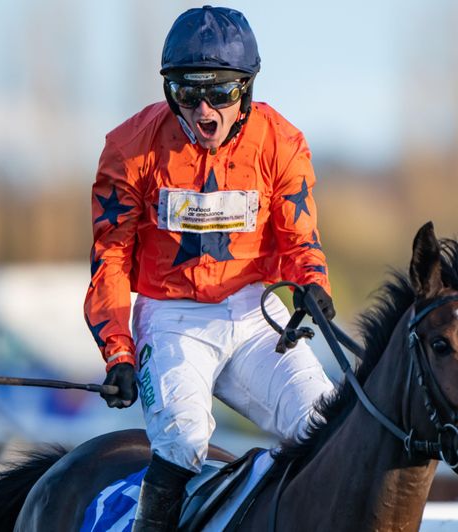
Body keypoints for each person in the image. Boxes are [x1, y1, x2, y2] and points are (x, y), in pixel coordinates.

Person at [83, 6, 336, 531]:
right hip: (171, 319)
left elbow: (299, 237)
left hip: (252, 315)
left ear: (246, 88)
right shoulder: (130, 149)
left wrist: (312, 285)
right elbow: (108, 258)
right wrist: (118, 353)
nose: (204, 109)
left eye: (220, 93)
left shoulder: (281, 142)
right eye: (186, 92)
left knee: (326, 423)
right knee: (182, 437)